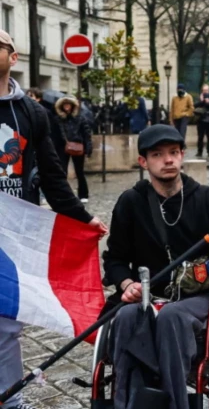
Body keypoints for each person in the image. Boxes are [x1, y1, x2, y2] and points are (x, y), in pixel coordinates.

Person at [0, 29, 106, 409]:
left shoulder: (32, 113)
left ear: (13, 57)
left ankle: (9, 400)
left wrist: (81, 217)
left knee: (6, 323)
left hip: (13, 235)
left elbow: (52, 174)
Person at [101, 125, 209, 409]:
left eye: (174, 153)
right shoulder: (130, 202)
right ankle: (126, 403)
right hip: (148, 295)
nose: (168, 160)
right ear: (143, 161)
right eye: (158, 154)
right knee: (126, 317)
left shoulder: (207, 198)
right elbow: (114, 260)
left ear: (182, 155)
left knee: (170, 318)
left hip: (197, 296)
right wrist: (128, 286)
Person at [55, 96, 93, 202]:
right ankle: (64, 194)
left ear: (72, 106)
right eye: (65, 105)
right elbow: (55, 135)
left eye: (69, 105)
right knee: (62, 171)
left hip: (78, 146)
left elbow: (86, 133)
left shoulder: (80, 118)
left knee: (79, 171)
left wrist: (88, 148)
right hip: (63, 147)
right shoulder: (58, 119)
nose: (67, 107)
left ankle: (83, 194)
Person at [193, 91, 209, 157]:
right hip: (201, 121)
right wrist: (202, 101)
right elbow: (194, 106)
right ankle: (199, 151)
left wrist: (208, 103)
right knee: (200, 137)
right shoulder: (201, 101)